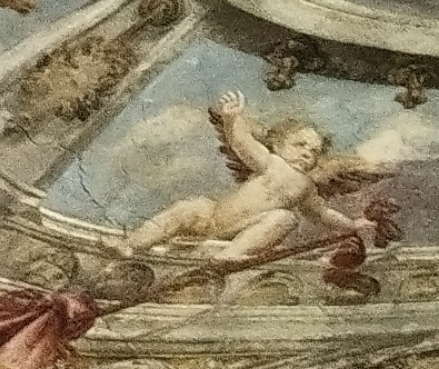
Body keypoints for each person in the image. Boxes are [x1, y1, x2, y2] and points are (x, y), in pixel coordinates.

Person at [120, 91, 381, 261]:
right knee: (191, 207)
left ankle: (229, 256)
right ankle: (132, 243)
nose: (306, 153)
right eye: (299, 144)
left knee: (285, 218)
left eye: (314, 151)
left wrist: (352, 225)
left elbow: (322, 214)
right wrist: (232, 118)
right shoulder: (270, 162)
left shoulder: (306, 186)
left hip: (241, 232)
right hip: (213, 217)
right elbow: (242, 143)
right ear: (278, 144)